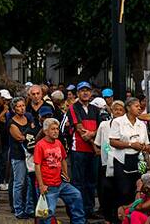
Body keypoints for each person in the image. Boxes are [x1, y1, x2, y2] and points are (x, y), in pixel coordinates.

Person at [34, 117, 86, 224]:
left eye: (57, 129)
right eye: (52, 129)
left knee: (76, 195)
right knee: (48, 212)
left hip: (60, 182)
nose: (56, 131)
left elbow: (63, 159)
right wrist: (41, 185)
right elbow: (37, 166)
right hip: (48, 185)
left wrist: (65, 174)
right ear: (45, 131)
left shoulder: (58, 143)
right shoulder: (40, 145)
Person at [109, 97, 150, 209]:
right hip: (122, 159)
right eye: (136, 106)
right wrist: (130, 145)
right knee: (123, 190)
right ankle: (120, 215)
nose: (139, 108)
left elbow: (147, 144)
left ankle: (133, 215)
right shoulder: (118, 122)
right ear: (128, 108)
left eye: (140, 106)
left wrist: (145, 147)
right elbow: (112, 141)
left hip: (139, 161)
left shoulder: (141, 125)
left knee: (138, 188)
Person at [65, 81, 100, 217]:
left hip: (92, 151)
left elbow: (99, 128)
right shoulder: (73, 108)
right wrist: (92, 137)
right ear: (78, 93)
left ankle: (89, 209)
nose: (85, 93)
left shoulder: (95, 109)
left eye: (87, 90)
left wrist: (91, 134)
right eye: (82, 90)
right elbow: (80, 131)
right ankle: (78, 211)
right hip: (78, 149)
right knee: (78, 182)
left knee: (91, 182)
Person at [9, 96, 38, 218]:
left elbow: (34, 131)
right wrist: (29, 133)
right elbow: (20, 137)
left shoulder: (29, 117)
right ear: (14, 109)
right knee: (19, 183)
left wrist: (29, 134)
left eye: (23, 106)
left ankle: (29, 208)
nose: (21, 108)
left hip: (30, 155)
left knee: (30, 183)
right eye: (19, 106)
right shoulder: (11, 123)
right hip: (18, 156)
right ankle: (18, 210)